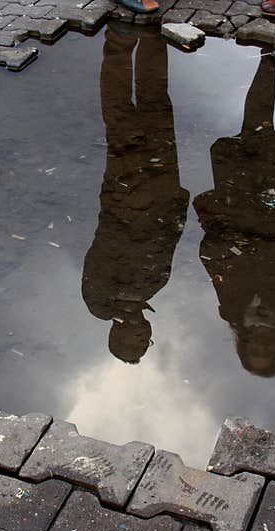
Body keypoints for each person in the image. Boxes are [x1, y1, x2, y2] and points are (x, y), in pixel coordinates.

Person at [193, 51, 275, 376]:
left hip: (244, 204)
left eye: (255, 348)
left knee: (254, 128)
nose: (262, 343)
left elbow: (210, 255)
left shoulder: (233, 309)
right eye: (269, 350)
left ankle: (268, 57)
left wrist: (223, 232)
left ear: (245, 342)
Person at [81, 24, 189, 364]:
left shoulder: (100, 302)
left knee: (120, 115)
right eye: (147, 339)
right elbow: (168, 239)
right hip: (162, 187)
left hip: (127, 192)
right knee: (157, 106)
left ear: (119, 335)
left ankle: (120, 40)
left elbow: (108, 244)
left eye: (137, 339)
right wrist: (178, 200)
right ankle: (152, 38)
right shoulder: (150, 291)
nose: (145, 333)